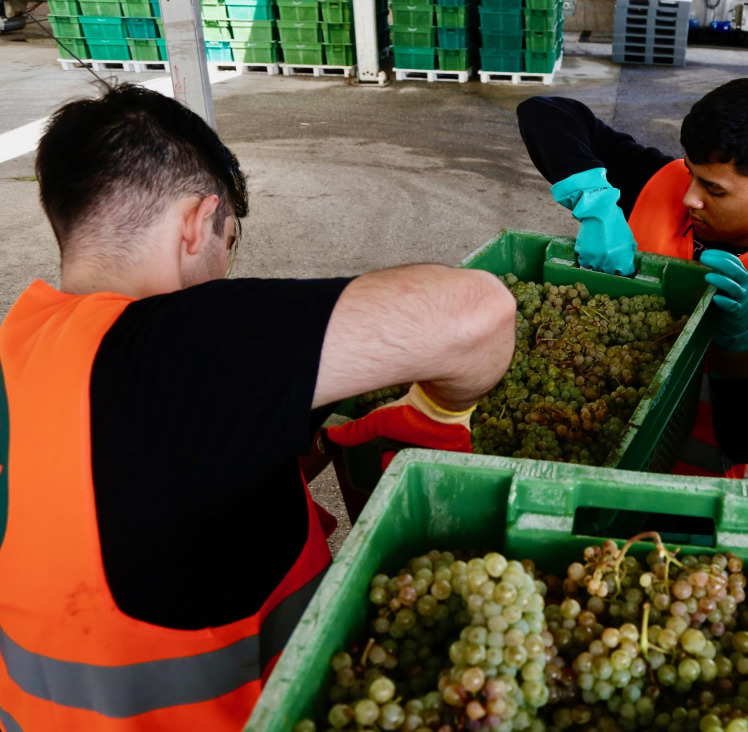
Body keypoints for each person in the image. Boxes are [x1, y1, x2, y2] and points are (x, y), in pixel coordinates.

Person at [0, 83, 515, 731]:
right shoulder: (179, 349)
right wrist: (436, 411)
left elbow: (121, 491)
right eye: (230, 240)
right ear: (197, 222)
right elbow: (479, 315)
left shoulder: (20, 348)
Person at [517, 77, 748, 477]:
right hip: (585, 447)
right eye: (692, 173)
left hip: (686, 490)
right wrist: (595, 203)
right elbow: (546, 112)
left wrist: (739, 350)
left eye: (714, 189)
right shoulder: (661, 180)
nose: (689, 197)